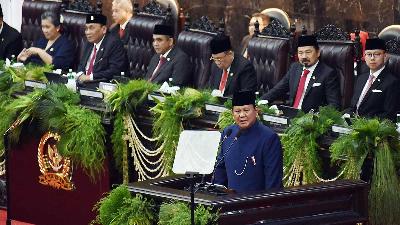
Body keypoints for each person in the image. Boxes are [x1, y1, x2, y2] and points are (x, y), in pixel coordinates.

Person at [213, 91, 283, 193]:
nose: (242, 115)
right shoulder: (228, 133)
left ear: (256, 111)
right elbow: (220, 169)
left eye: (246, 110)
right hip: (230, 203)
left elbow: (273, 180)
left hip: (256, 204)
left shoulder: (269, 138)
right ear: (232, 113)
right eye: (237, 111)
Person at [260, 35, 341, 112]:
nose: (304, 56)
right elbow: (277, 90)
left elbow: (334, 105)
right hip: (291, 115)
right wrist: (259, 102)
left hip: (311, 121)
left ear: (318, 53)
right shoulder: (295, 68)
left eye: (308, 52)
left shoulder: (328, 73)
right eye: (300, 53)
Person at [345, 38, 399, 121]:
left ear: (385, 56)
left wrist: (364, 124)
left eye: (377, 54)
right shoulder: (361, 78)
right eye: (369, 54)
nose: (372, 58)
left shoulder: (392, 82)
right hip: (352, 124)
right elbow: (353, 107)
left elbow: (389, 115)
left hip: (372, 128)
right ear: (365, 57)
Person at [78, 13, 128, 82]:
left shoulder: (114, 44)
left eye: (91, 28)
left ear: (104, 29)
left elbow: (114, 71)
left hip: (102, 85)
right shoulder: (88, 43)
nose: (87, 32)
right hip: (83, 83)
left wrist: (90, 77)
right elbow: (82, 64)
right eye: (86, 29)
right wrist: (80, 75)